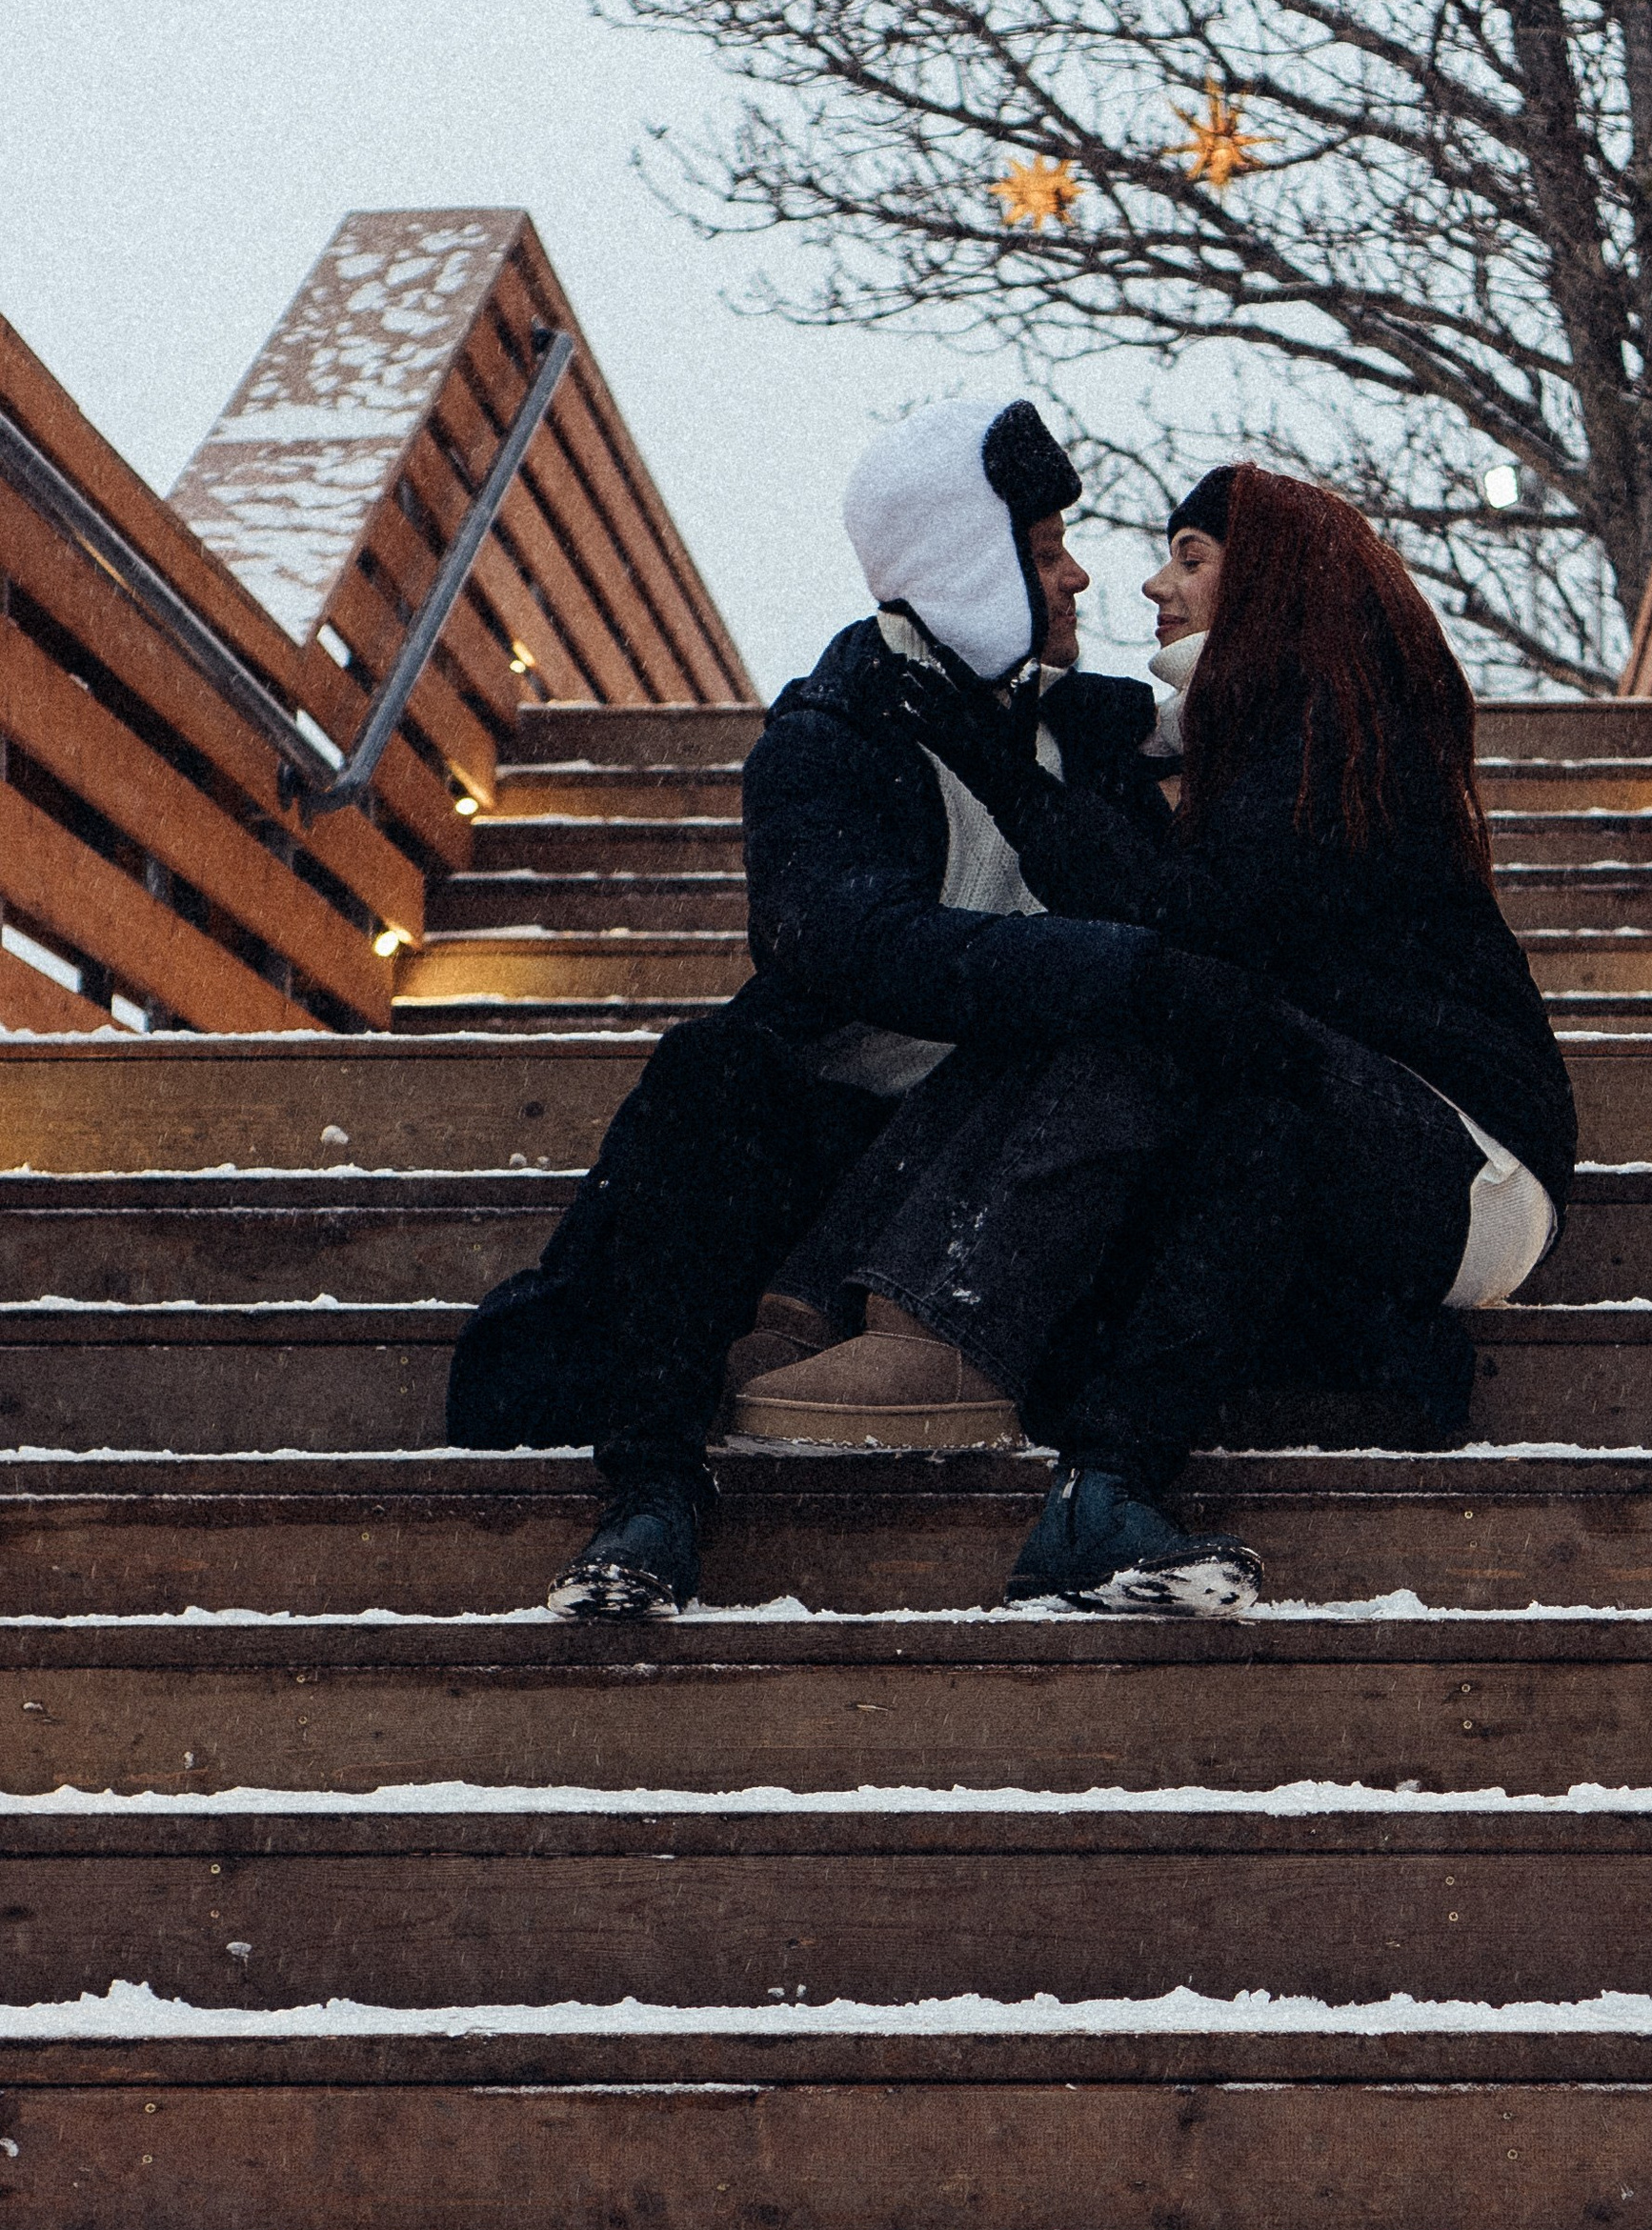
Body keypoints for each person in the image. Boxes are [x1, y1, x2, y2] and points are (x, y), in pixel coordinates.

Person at [760, 463, 1578, 1612]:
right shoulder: (1233, 730)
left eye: (1193, 558)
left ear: (1277, 584)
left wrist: (1005, 769)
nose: (1154, 583)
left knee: (1137, 998)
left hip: (1464, 1157)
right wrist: (928, 680)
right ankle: (828, 1305)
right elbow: (1098, 732)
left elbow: (1179, 923)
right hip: (1335, 1128)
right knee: (1086, 993)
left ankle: (992, 1376)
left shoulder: (1339, 731)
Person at [445, 390, 1176, 1617]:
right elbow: (842, 940)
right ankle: (653, 1496)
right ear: (969, 565)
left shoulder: (1079, 729)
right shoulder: (832, 735)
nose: (1079, 579)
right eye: (1045, 551)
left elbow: (1251, 703)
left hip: (1013, 1153)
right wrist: (1111, 965)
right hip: (833, 1139)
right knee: (707, 1072)